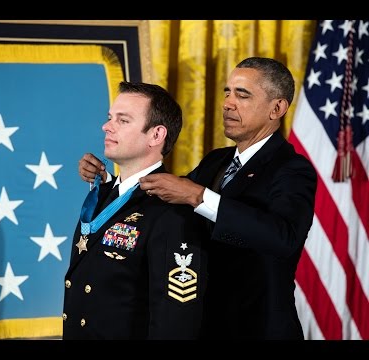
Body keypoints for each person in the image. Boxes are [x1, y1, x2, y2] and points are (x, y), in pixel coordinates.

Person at [77, 57, 317, 340]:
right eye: (227, 92)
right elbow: (162, 197)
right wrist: (107, 182)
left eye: (242, 95)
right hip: (206, 325)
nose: (228, 103)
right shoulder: (217, 160)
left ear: (277, 108)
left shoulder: (291, 168)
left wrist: (200, 196)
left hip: (256, 328)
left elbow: (283, 238)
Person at [63, 81, 208, 340]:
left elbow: (174, 320)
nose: (107, 126)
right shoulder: (105, 194)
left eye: (123, 120)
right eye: (110, 118)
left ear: (156, 135)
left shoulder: (171, 211)